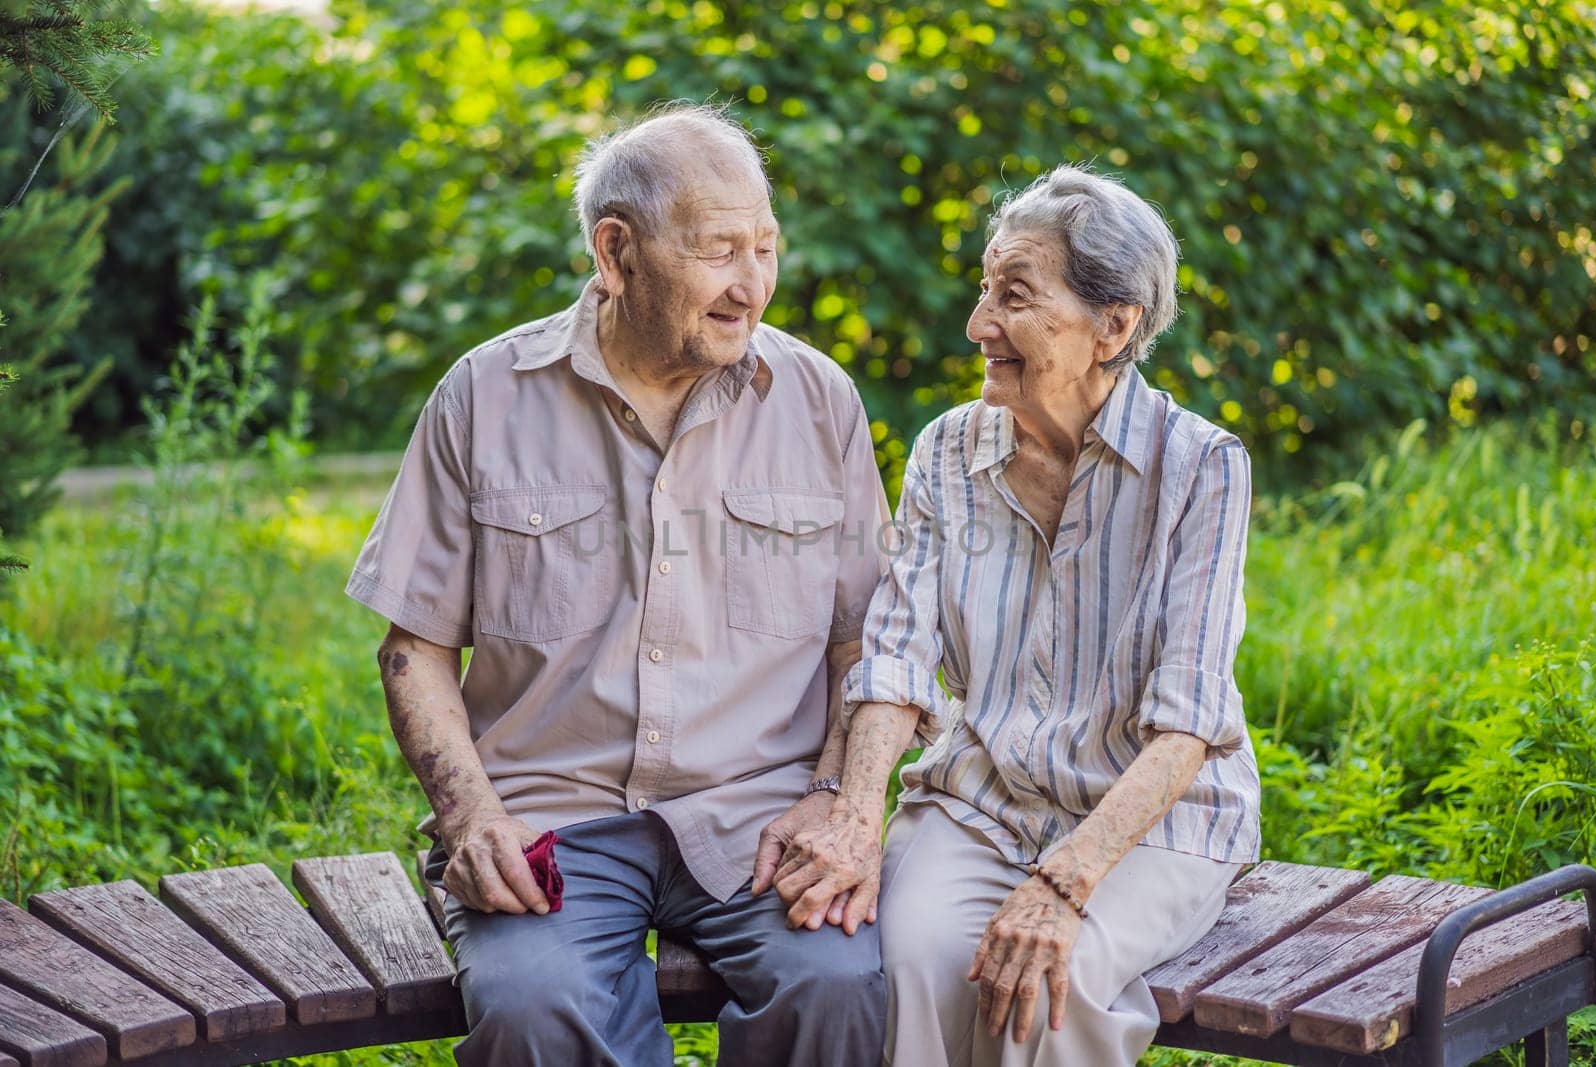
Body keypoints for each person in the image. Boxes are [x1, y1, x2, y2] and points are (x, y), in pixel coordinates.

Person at [346, 103, 889, 1066]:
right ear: (616, 252)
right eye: (720, 251)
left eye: (765, 247)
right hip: (550, 814)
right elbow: (415, 648)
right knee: (533, 1005)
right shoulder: (485, 394)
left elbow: (866, 641)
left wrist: (839, 795)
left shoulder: (818, 399)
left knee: (841, 985)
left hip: (762, 817)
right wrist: (471, 817)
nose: (751, 285)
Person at [772, 163, 1262, 1067]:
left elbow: (1190, 721)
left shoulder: (1201, 468)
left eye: (1015, 295)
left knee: (1046, 986)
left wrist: (1067, 880)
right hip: (982, 800)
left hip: (1153, 821)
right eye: (985, 289)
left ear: (1113, 326)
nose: (978, 324)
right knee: (906, 963)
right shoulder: (947, 450)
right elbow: (895, 658)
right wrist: (856, 819)